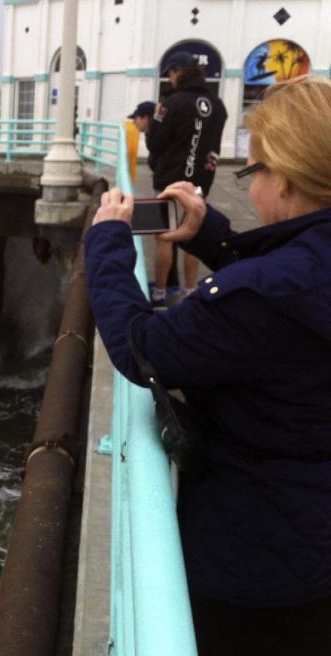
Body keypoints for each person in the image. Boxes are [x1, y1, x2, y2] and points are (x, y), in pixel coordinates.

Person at [85, 76, 331, 656]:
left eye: (256, 173)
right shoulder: (290, 280)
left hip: (254, 562)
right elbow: (291, 289)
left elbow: (142, 347)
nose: (252, 188)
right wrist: (212, 236)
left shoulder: (262, 295)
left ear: (289, 179)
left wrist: (108, 243)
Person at [146, 52, 227, 307]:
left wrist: (158, 162)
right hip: (202, 179)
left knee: (164, 236)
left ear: (178, 72)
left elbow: (155, 141)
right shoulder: (218, 104)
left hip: (170, 178)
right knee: (193, 231)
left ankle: (160, 292)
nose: (169, 79)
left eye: (170, 73)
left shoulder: (170, 103)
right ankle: (190, 291)